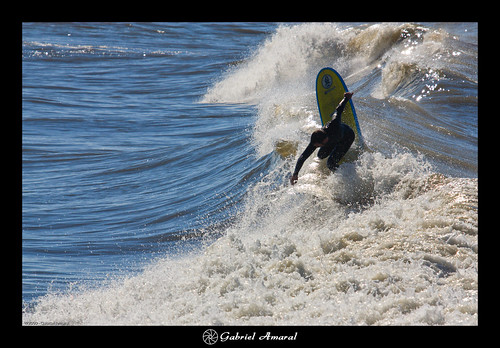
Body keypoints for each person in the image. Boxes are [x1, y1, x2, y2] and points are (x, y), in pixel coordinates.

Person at [290, 92, 355, 185]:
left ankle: (345, 178)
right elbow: (303, 157)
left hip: (347, 137)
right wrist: (295, 174)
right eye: (316, 145)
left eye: (318, 145)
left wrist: (346, 98)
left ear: (324, 139)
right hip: (332, 141)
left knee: (330, 164)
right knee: (321, 155)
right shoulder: (316, 140)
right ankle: (334, 149)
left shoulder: (334, 124)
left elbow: (338, 110)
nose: (316, 146)